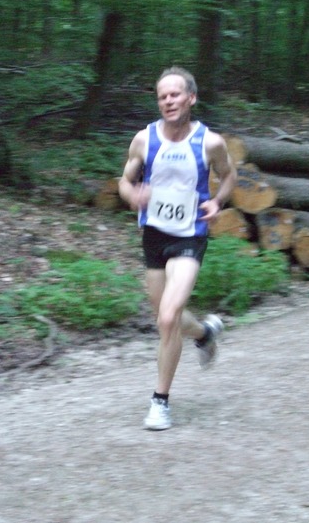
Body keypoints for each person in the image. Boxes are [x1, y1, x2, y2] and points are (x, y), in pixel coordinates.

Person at [119, 66, 237, 430]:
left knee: (169, 318)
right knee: (164, 317)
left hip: (190, 234)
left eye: (175, 94)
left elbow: (229, 175)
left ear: (191, 98)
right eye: (162, 96)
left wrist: (217, 201)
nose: (168, 101)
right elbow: (124, 180)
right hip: (154, 235)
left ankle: (160, 402)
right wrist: (132, 194)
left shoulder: (209, 142)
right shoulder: (144, 139)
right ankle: (204, 333)